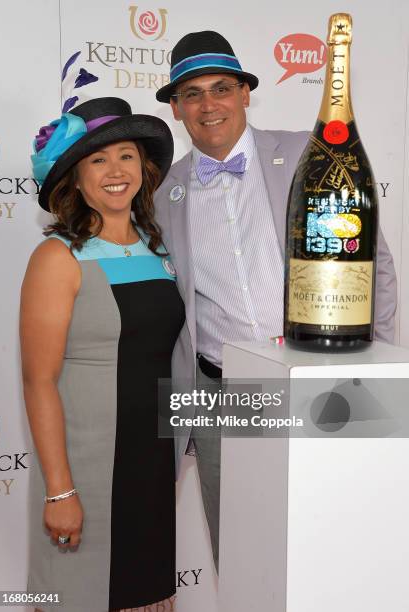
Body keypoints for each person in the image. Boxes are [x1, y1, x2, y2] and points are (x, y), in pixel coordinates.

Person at [154, 30, 398, 571]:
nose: (208, 105)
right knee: (242, 553)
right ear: (176, 108)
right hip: (222, 395)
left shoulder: (309, 154)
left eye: (221, 88)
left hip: (326, 379)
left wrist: (375, 360)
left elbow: (371, 265)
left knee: (343, 539)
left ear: (245, 94)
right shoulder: (161, 194)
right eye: (192, 94)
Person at [20, 97, 184, 612]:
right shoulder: (58, 256)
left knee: (148, 596)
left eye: (127, 156)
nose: (116, 171)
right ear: (76, 177)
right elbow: (39, 381)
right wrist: (59, 490)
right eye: (98, 159)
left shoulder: (162, 250)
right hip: (87, 467)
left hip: (155, 463)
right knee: (82, 594)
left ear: (144, 167)